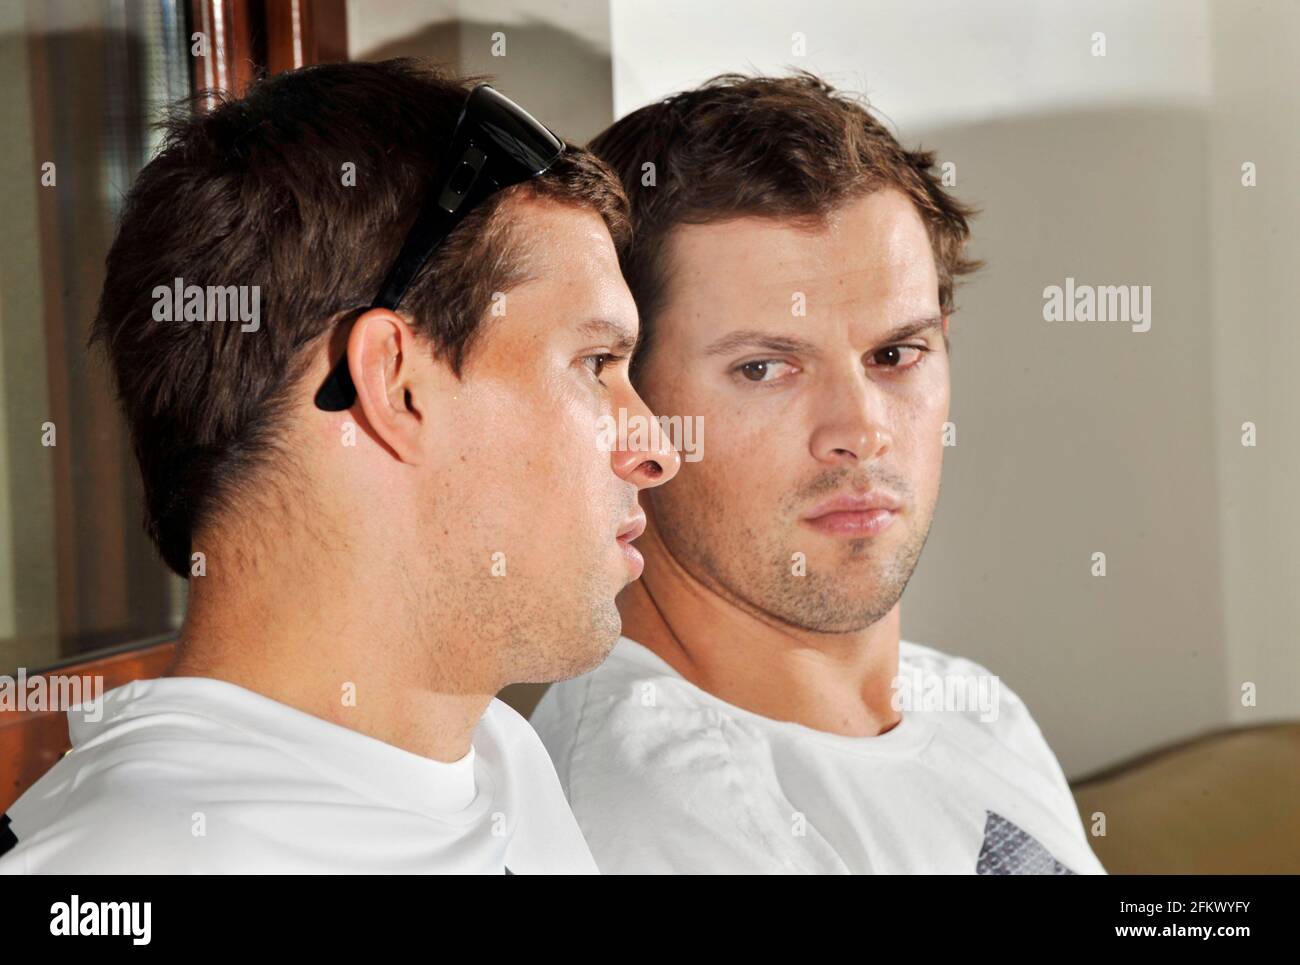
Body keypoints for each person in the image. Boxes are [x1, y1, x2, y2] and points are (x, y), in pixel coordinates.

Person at [0, 59, 678, 874]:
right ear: (396, 384)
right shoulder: (123, 869)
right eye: (595, 362)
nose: (659, 448)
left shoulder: (501, 763)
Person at [531, 72, 1105, 874]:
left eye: (895, 354)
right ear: (624, 397)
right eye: (765, 368)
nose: (861, 431)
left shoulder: (974, 707)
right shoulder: (651, 816)